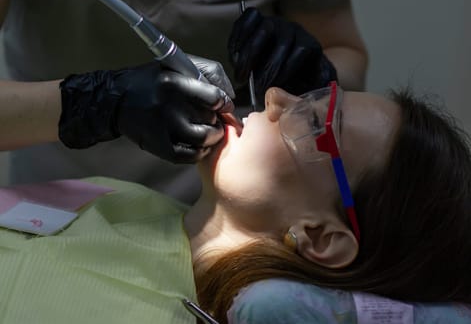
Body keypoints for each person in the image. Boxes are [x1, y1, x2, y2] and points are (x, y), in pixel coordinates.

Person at [1, 83, 470, 323]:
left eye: (315, 122)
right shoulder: (119, 194)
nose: (274, 96)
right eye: (310, 96)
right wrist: (81, 104)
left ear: (320, 236)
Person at [0, 0, 368, 204]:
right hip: (63, 201)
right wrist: (92, 103)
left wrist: (317, 74)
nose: (275, 105)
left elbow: (345, 55)